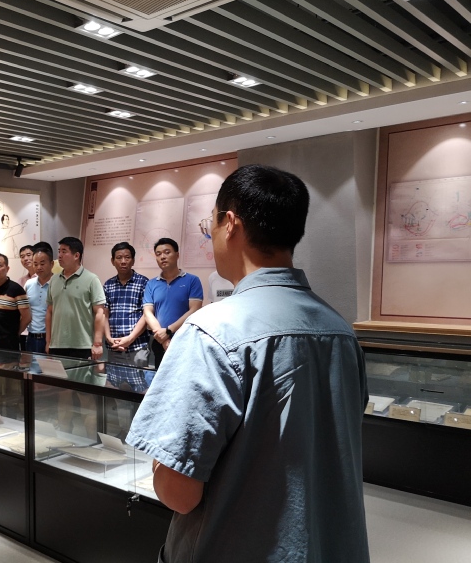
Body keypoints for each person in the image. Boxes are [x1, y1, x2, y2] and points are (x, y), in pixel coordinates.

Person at [127, 165, 370, 563]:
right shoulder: (340, 331)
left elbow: (178, 492)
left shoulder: (211, 331)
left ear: (231, 224)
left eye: (210, 224)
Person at [142, 238, 203, 368]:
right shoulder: (151, 284)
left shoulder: (192, 280)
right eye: (158, 254)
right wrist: (162, 337)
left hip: (185, 340)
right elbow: (148, 313)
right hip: (159, 342)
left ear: (177, 255)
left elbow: (195, 310)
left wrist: (169, 331)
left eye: (167, 252)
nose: (162, 257)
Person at [45, 237, 106, 361]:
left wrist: (98, 343)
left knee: (81, 374)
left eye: (64, 251)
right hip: (56, 344)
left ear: (76, 255)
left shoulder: (91, 279)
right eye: (59, 251)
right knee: (57, 375)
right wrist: (48, 341)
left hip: (82, 345)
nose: (59, 255)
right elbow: (50, 312)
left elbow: (100, 312)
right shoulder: (53, 280)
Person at [103, 242, 150, 393]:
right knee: (115, 389)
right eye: (119, 258)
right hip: (114, 347)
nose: (123, 261)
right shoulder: (108, 285)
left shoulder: (144, 283)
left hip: (137, 347)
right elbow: (104, 314)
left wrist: (130, 338)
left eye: (127, 257)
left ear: (133, 260)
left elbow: (147, 314)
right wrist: (109, 338)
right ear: (112, 261)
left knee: (140, 390)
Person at [24, 246, 53, 354]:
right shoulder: (29, 284)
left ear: (51, 264)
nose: (39, 267)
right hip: (31, 337)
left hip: (51, 338)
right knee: (30, 365)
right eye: (35, 264)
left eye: (42, 263)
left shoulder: (58, 284)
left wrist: (49, 341)